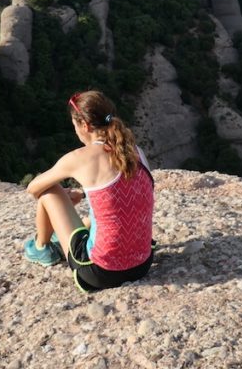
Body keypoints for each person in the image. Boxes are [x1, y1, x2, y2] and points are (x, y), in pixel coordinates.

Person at [24, 90, 155, 292]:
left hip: (100, 272)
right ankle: (59, 239)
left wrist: (66, 199)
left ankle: (41, 248)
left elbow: (33, 188)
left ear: (84, 126)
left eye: (75, 126)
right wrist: (84, 193)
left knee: (49, 190)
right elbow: (118, 191)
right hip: (142, 265)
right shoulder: (135, 152)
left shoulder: (80, 158)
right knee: (98, 218)